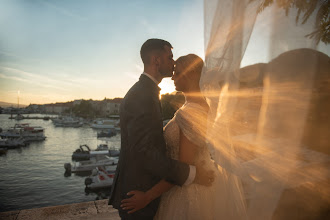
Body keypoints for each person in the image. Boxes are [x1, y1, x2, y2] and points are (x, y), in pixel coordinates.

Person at [109, 40, 214, 220]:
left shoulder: (147, 92)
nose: (173, 64)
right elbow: (144, 151)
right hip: (138, 194)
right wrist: (193, 173)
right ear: (157, 61)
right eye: (170, 57)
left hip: (149, 192)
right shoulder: (142, 95)